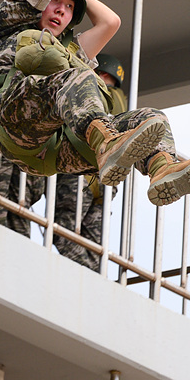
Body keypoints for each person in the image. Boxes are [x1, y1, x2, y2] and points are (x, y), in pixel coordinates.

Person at [0, 0, 190, 207]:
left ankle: (162, 169)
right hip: (13, 126)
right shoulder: (4, 26)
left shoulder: (70, 51)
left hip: (54, 152)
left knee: (151, 117)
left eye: (70, 7)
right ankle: (106, 144)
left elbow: (111, 22)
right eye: (56, 1)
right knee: (80, 79)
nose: (61, 10)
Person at [51, 53, 127, 270]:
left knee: (63, 232)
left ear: (99, 73)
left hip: (80, 175)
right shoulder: (122, 104)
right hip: (107, 182)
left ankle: (86, 272)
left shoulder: (91, 92)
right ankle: (94, 278)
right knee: (95, 245)